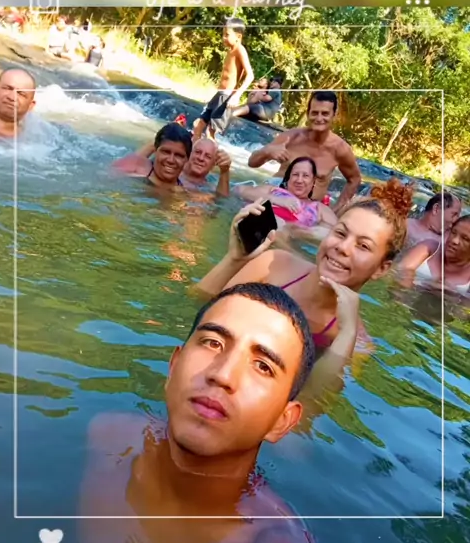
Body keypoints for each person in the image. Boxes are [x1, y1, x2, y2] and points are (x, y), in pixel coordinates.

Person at [83, 282, 366, 543]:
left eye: (263, 366)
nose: (223, 374)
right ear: (174, 366)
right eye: (213, 343)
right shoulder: (108, 436)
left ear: (282, 421)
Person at [197, 179, 413, 393]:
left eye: (363, 246)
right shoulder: (274, 264)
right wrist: (233, 259)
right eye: (340, 233)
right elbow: (198, 306)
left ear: (381, 269)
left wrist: (347, 334)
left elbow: (314, 402)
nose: (343, 248)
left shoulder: (357, 342)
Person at [248, 90, 361, 209]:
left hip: (306, 210)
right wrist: (267, 151)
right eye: (315, 113)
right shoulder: (291, 137)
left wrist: (336, 211)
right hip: (274, 200)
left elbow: (354, 179)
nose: (319, 118)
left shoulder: (340, 149)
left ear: (334, 114)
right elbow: (252, 163)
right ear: (308, 113)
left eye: (325, 113)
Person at [192, 17, 254, 140]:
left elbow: (250, 76)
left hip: (226, 97)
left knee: (210, 132)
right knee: (198, 125)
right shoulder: (230, 51)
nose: (223, 38)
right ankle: (193, 149)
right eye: (223, 34)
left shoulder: (240, 50)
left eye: (227, 35)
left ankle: (211, 151)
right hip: (219, 95)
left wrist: (236, 95)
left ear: (238, 36)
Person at [234, 156, 337, 230]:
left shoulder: (319, 208)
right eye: (295, 174)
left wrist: (296, 229)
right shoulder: (273, 190)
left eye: (305, 176)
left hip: (287, 234)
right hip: (256, 222)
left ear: (313, 181)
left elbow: (337, 231)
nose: (299, 180)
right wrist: (278, 200)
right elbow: (239, 190)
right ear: (288, 178)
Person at [113, 135, 232, 196]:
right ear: (188, 154)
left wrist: (225, 171)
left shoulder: (208, 189)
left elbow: (221, 201)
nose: (200, 158)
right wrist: (156, 143)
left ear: (213, 164)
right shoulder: (171, 167)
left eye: (207, 156)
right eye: (197, 152)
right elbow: (129, 164)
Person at [398, 214, 470, 294]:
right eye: (453, 232)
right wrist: (409, 283)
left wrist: (451, 296)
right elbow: (402, 270)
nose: (454, 240)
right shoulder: (429, 247)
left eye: (465, 238)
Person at [0, 68, 36, 138]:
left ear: (31, 105)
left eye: (21, 94)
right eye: (7, 88)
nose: (11, 97)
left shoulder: (33, 139)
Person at [143, 122, 193, 188]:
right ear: (155, 151)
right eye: (166, 152)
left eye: (179, 155)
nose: (171, 160)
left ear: (187, 159)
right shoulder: (134, 173)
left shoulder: (188, 191)